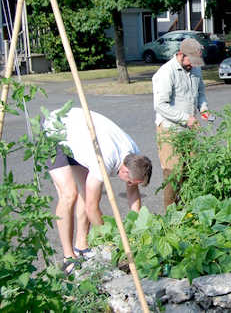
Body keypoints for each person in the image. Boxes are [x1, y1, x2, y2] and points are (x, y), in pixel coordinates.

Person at [44, 107, 152, 274]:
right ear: (123, 171)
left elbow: (133, 194)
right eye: (130, 181)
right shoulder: (104, 160)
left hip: (80, 136)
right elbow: (91, 208)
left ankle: (81, 246)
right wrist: (108, 240)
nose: (131, 184)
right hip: (56, 129)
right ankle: (68, 257)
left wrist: (136, 228)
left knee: (86, 193)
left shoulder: (135, 156)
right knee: (69, 194)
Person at [152, 38, 211, 210]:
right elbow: (160, 105)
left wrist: (204, 108)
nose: (193, 65)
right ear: (180, 54)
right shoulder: (166, 73)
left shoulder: (195, 69)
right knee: (173, 174)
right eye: (191, 61)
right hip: (170, 129)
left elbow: (200, 93)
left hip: (189, 129)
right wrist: (186, 118)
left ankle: (187, 211)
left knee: (191, 170)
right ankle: (171, 215)